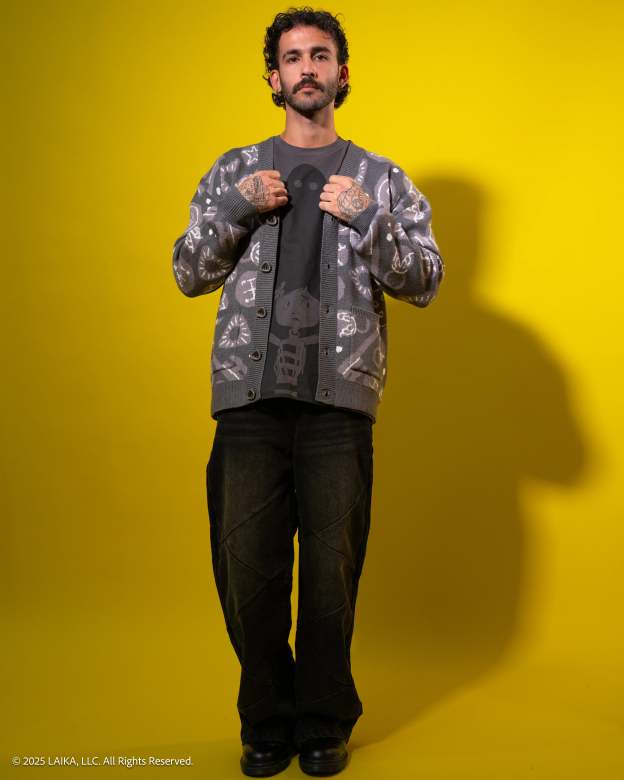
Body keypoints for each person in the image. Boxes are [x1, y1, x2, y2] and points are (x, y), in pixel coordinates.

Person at [171, 7, 444, 776]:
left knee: (331, 578)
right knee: (247, 572)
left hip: (338, 408)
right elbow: (187, 272)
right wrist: (236, 207)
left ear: (342, 73)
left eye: (321, 55)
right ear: (274, 78)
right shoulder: (234, 170)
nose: (307, 68)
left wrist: (369, 220)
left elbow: (424, 280)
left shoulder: (381, 179)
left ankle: (323, 721)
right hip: (249, 405)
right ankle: (266, 718)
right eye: (293, 58)